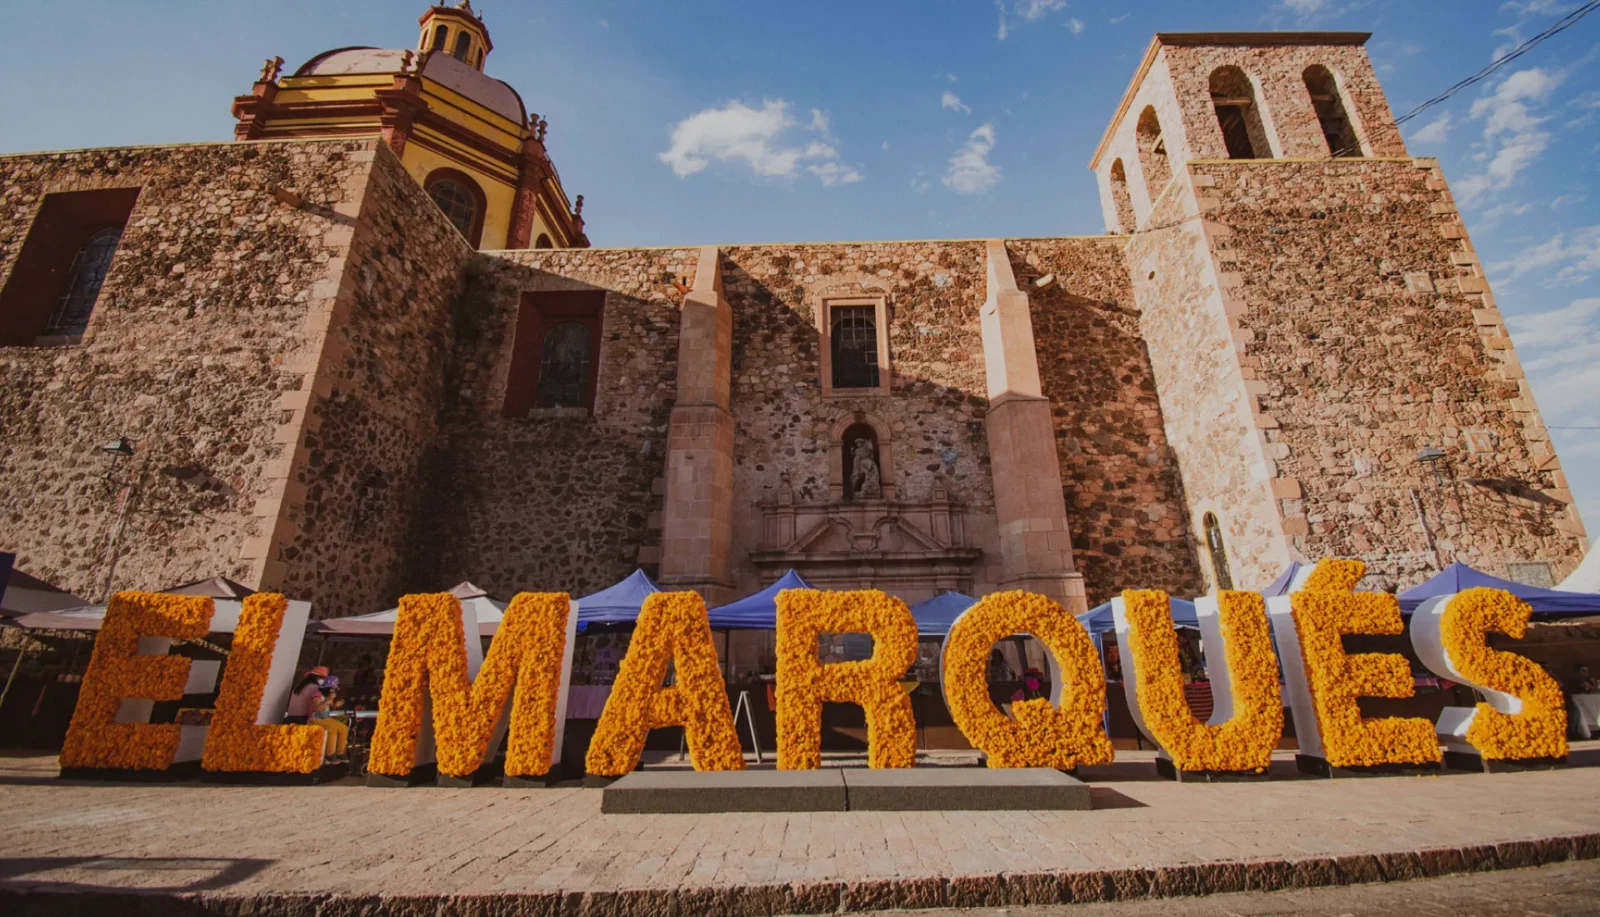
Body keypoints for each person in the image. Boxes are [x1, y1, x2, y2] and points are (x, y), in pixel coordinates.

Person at [285, 667, 348, 763]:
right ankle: (330, 754)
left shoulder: (299, 686)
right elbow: (317, 708)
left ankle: (340, 752)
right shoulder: (316, 690)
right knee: (332, 729)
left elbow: (331, 705)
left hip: (292, 717)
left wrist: (337, 703)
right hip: (309, 718)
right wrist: (328, 700)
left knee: (343, 728)